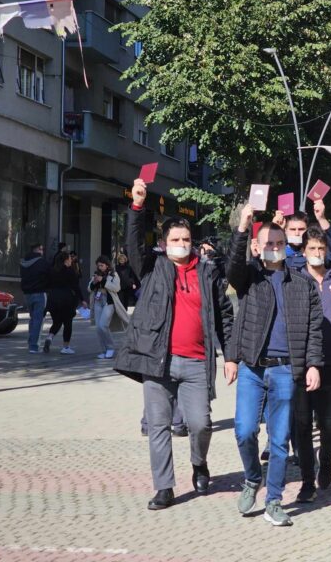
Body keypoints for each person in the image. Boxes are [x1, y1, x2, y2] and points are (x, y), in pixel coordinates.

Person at [113, 178, 234, 511]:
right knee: (158, 427)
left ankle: (199, 462)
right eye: (175, 239)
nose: (181, 243)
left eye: (186, 239)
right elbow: (135, 243)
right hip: (159, 361)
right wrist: (137, 206)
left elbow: (224, 316)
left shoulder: (208, 273)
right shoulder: (154, 268)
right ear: (164, 243)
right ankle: (164, 487)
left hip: (196, 363)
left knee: (201, 424)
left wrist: (230, 357)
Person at [226, 204, 323, 527]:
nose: (274, 248)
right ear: (258, 247)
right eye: (268, 244)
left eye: (279, 243)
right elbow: (233, 266)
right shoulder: (250, 278)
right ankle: (253, 478)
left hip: (286, 370)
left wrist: (313, 364)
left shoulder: (303, 284)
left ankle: (274, 500)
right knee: (245, 431)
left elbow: (313, 329)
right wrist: (243, 226)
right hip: (253, 367)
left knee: (280, 440)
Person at [293, 225, 331, 502]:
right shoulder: (294, 279)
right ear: (303, 251)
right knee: (302, 424)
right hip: (302, 365)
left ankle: (325, 459)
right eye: (312, 249)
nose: (317, 253)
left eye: (321, 248)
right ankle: (307, 480)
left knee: (328, 424)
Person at [43, 251, 87, 355]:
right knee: (68, 323)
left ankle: (49, 337)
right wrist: (82, 299)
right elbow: (76, 287)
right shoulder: (70, 271)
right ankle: (66, 347)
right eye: (70, 258)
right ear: (66, 260)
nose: (71, 260)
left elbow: (46, 284)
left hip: (53, 299)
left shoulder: (52, 270)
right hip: (66, 300)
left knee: (57, 321)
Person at [274, 199, 331, 270]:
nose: (297, 233)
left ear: (307, 230)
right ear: (285, 230)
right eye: (292, 229)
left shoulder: (316, 254)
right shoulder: (277, 252)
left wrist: (322, 219)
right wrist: (274, 229)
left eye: (301, 229)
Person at [88, 256, 129, 359]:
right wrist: (94, 282)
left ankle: (110, 348)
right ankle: (103, 350)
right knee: (98, 327)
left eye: (102, 265)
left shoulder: (113, 274)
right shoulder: (96, 274)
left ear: (107, 265)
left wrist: (103, 281)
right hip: (98, 301)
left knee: (103, 325)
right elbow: (89, 288)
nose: (100, 267)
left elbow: (117, 288)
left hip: (109, 302)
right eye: (98, 265)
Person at [19, 242, 50, 353]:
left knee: (33, 319)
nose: (42, 252)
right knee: (38, 320)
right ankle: (33, 346)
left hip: (27, 294)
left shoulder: (23, 262)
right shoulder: (42, 262)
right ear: (38, 250)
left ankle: (31, 342)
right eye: (41, 249)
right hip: (40, 292)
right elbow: (49, 275)